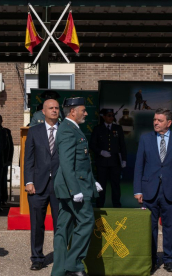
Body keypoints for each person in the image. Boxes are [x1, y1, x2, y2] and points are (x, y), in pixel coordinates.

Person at [133, 108, 172, 273]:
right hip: (149, 190)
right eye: (154, 120)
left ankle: (169, 259)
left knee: (169, 227)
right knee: (150, 228)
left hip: (171, 190)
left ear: (169, 123)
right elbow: (139, 166)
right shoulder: (145, 139)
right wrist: (137, 190)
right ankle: (151, 259)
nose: (156, 123)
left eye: (160, 120)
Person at [51, 97, 102, 276]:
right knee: (86, 221)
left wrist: (92, 181)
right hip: (73, 188)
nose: (86, 113)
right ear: (73, 111)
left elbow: (82, 162)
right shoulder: (67, 130)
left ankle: (58, 271)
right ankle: (73, 265)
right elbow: (66, 163)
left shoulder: (72, 128)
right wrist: (76, 190)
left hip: (77, 185)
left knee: (63, 228)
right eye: (83, 110)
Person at [24, 99, 60, 271]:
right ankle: (37, 258)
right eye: (50, 108)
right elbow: (29, 158)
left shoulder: (66, 130)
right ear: (43, 112)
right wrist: (28, 181)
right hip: (38, 185)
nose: (54, 110)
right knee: (37, 223)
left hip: (60, 185)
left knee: (61, 224)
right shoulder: (34, 131)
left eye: (56, 108)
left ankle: (61, 258)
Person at [90, 108, 127, 208]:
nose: (111, 117)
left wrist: (124, 159)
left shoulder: (118, 128)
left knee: (115, 185)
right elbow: (92, 144)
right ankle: (99, 206)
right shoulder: (98, 128)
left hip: (115, 162)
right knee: (101, 186)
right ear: (104, 117)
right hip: (102, 162)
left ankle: (117, 206)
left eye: (112, 115)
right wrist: (101, 152)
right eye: (109, 115)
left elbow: (122, 145)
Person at [0, 114, 14, 206]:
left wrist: (9, 160)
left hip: (3, 160)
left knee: (2, 181)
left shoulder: (5, 131)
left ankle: (3, 198)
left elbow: (9, 146)